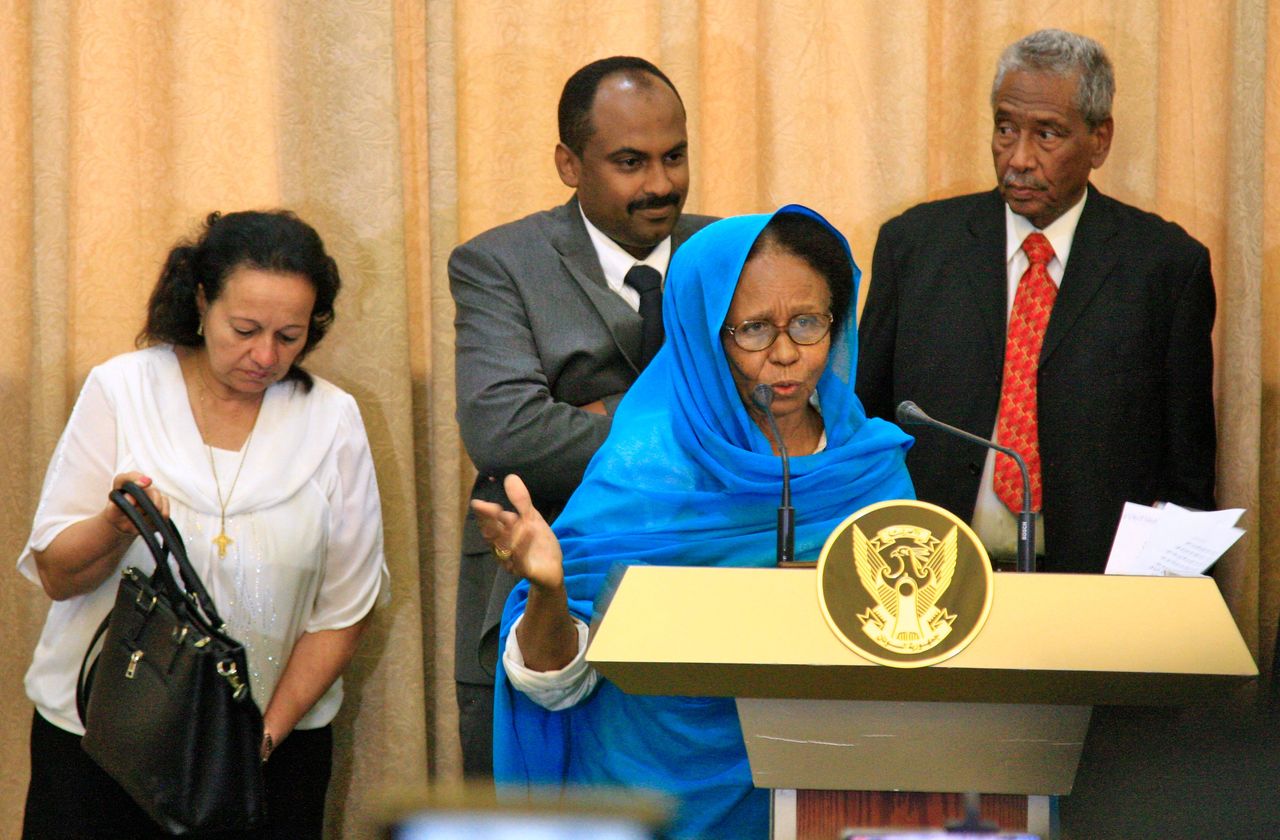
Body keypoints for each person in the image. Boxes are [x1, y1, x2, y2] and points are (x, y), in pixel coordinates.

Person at [472, 206, 914, 839]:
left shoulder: (871, 468)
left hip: (829, 794)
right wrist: (549, 591)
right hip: (651, 797)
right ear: (704, 335)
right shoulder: (643, 468)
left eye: (809, 323)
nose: (786, 354)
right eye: (754, 329)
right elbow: (553, 687)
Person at [18, 210, 389, 839]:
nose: (265, 355)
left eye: (290, 335)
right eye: (244, 329)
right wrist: (115, 522)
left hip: (270, 753)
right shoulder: (123, 390)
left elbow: (343, 611)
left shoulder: (333, 419)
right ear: (200, 301)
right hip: (101, 744)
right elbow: (57, 574)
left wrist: (259, 741)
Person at [856, 29, 1216, 573]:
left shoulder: (1165, 268)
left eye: (1047, 135)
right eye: (1005, 129)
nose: (1018, 158)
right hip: (929, 576)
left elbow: (1185, 472)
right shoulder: (914, 248)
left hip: (1097, 589)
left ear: (1099, 140)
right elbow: (865, 424)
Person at [449, 55, 715, 777]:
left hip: (704, 597)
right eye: (631, 161)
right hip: (536, 597)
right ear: (569, 163)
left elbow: (776, 421)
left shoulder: (733, 254)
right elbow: (507, 433)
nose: (660, 183)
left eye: (675, 156)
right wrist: (685, 423)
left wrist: (594, 411)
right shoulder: (496, 263)